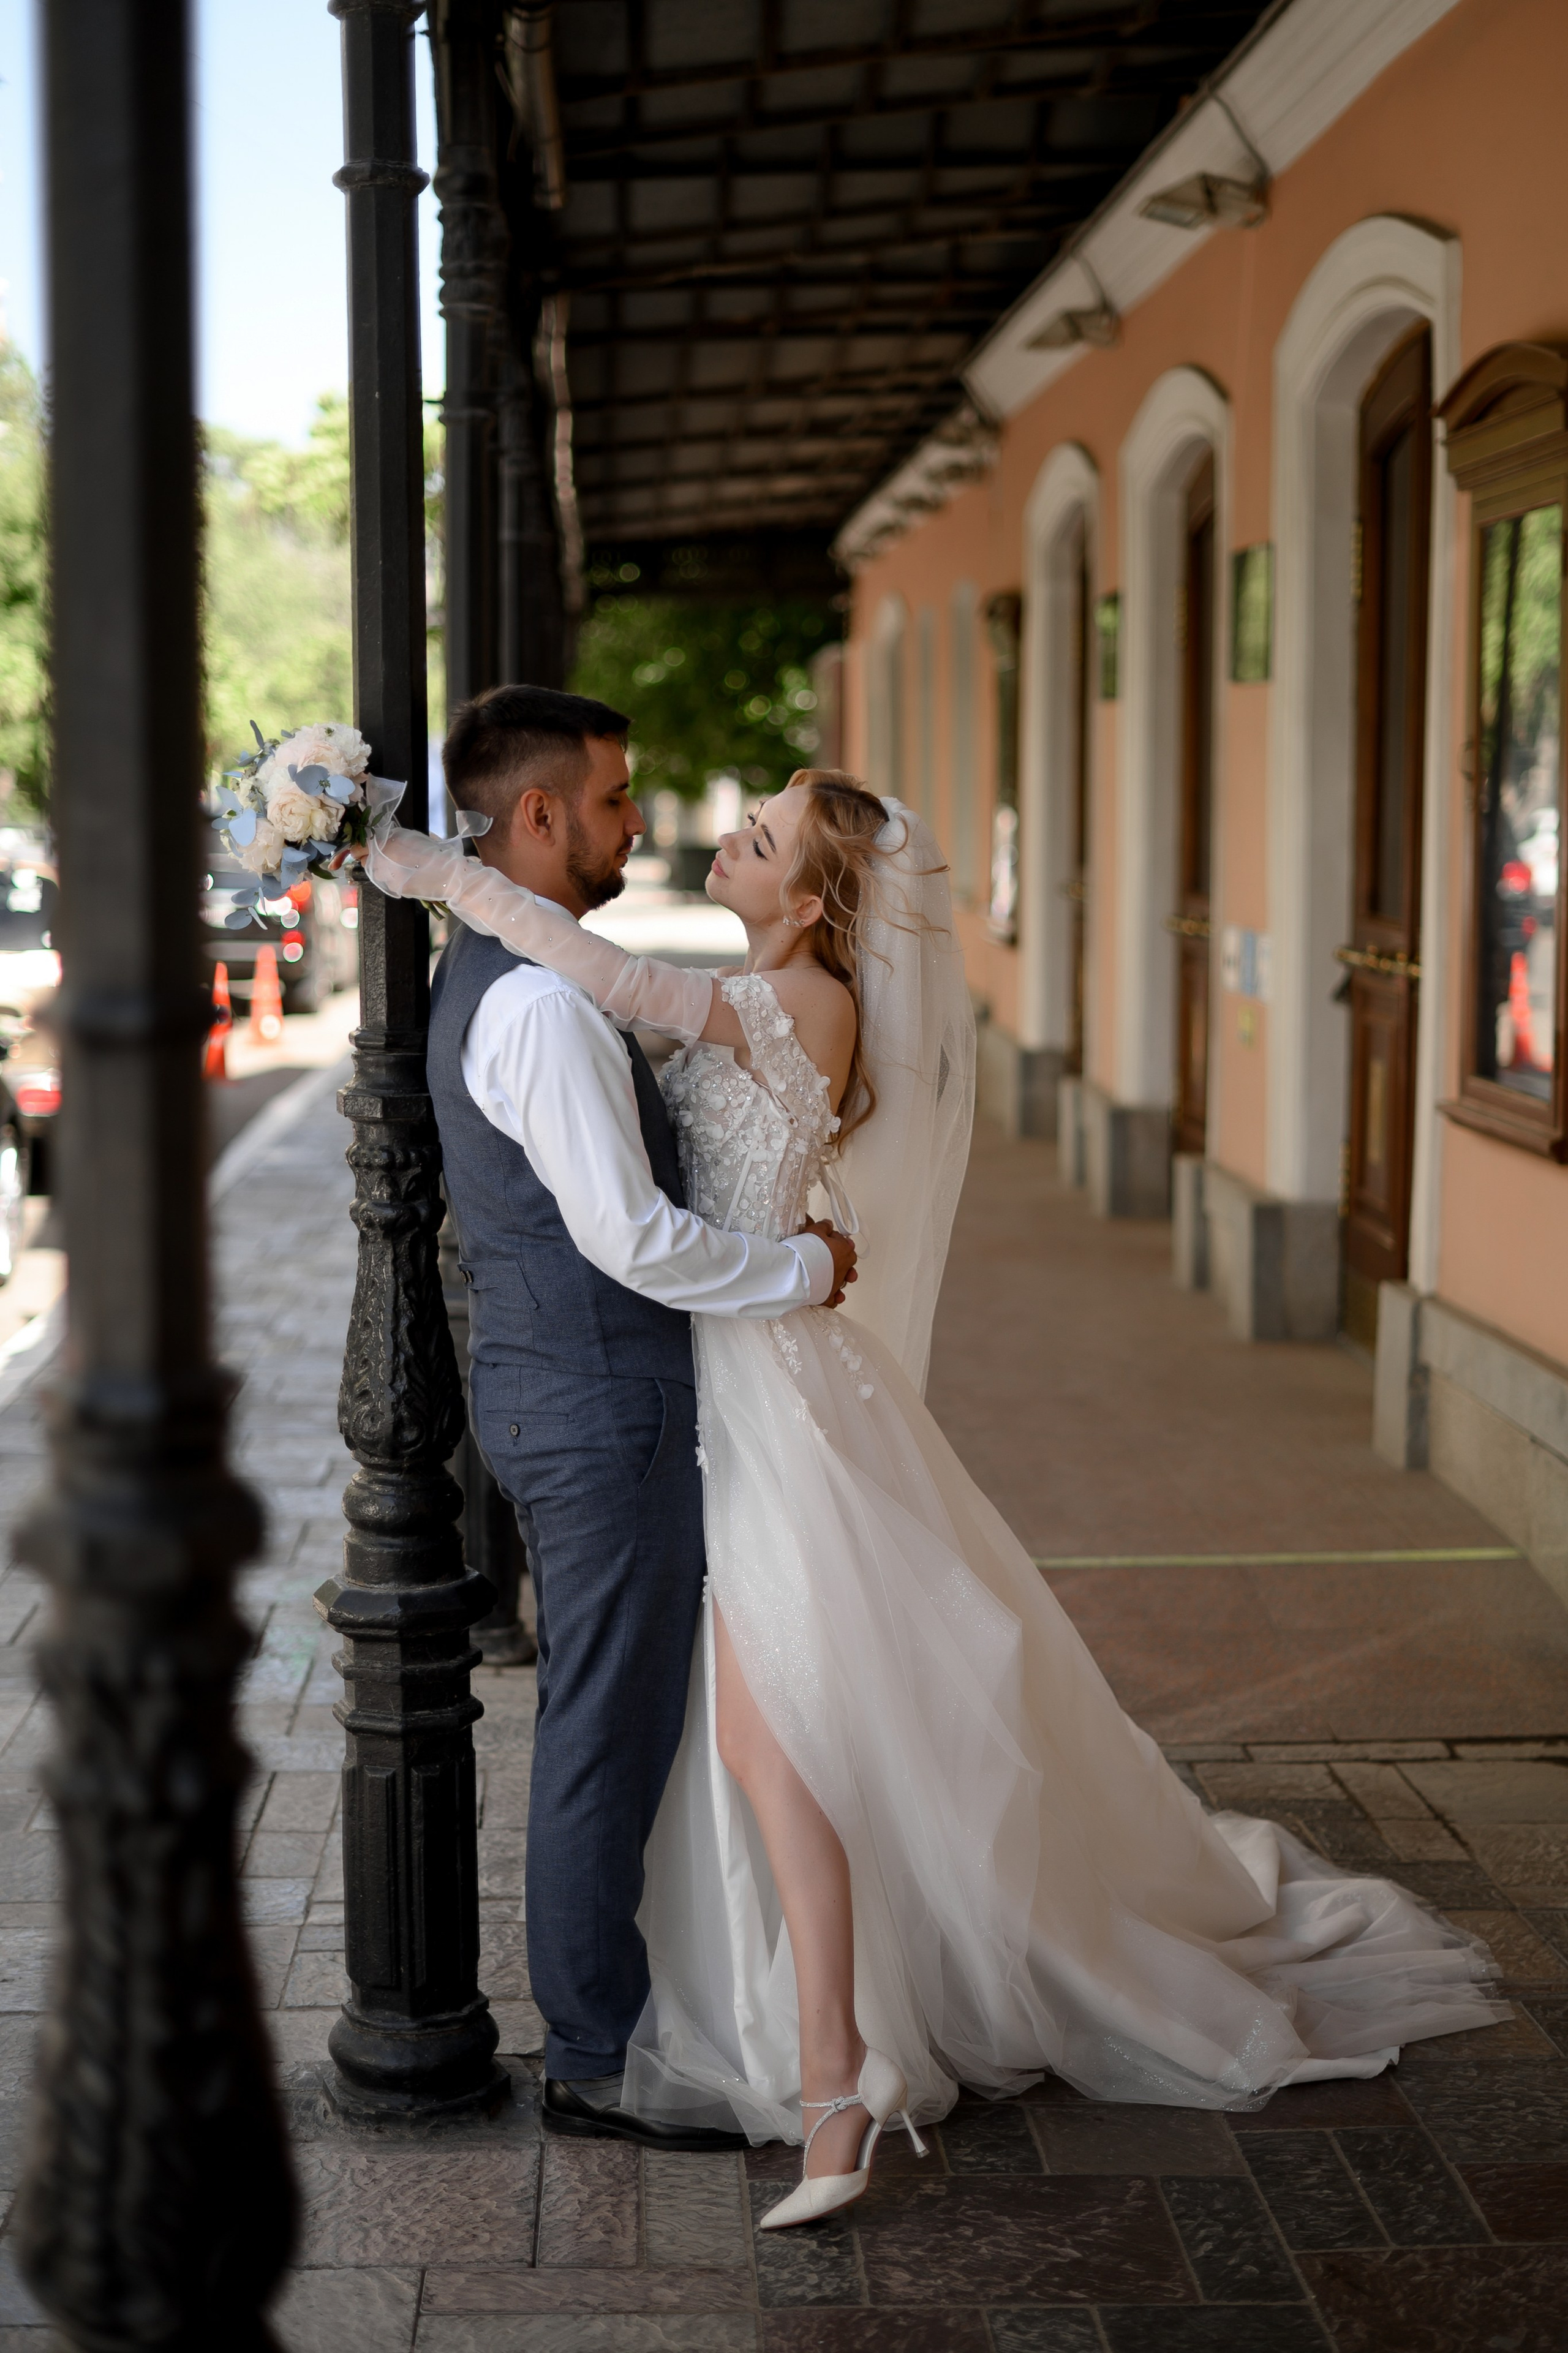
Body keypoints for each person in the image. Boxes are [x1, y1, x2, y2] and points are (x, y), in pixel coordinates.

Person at [374, 707, 1505, 2232]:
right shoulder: (719, 996)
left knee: (779, 1737)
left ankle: (830, 2073)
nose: (703, 834)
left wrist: (427, 868)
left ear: (811, 902)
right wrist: (436, 868)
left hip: (761, 1390)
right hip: (717, 1381)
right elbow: (620, 1016)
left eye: (756, 837)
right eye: (652, 804)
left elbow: (624, 1000)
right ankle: (814, 2051)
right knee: (760, 1736)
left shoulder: (791, 1003)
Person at [420, 686, 858, 2157]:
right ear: (541, 814)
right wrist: (800, 1272)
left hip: (565, 1385)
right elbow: (631, 1238)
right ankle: (593, 2055)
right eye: (612, 799)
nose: (630, 821)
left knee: (612, 1719)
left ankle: (626, 2014)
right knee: (604, 1733)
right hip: (603, 1403)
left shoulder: (508, 967)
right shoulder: (541, 1006)